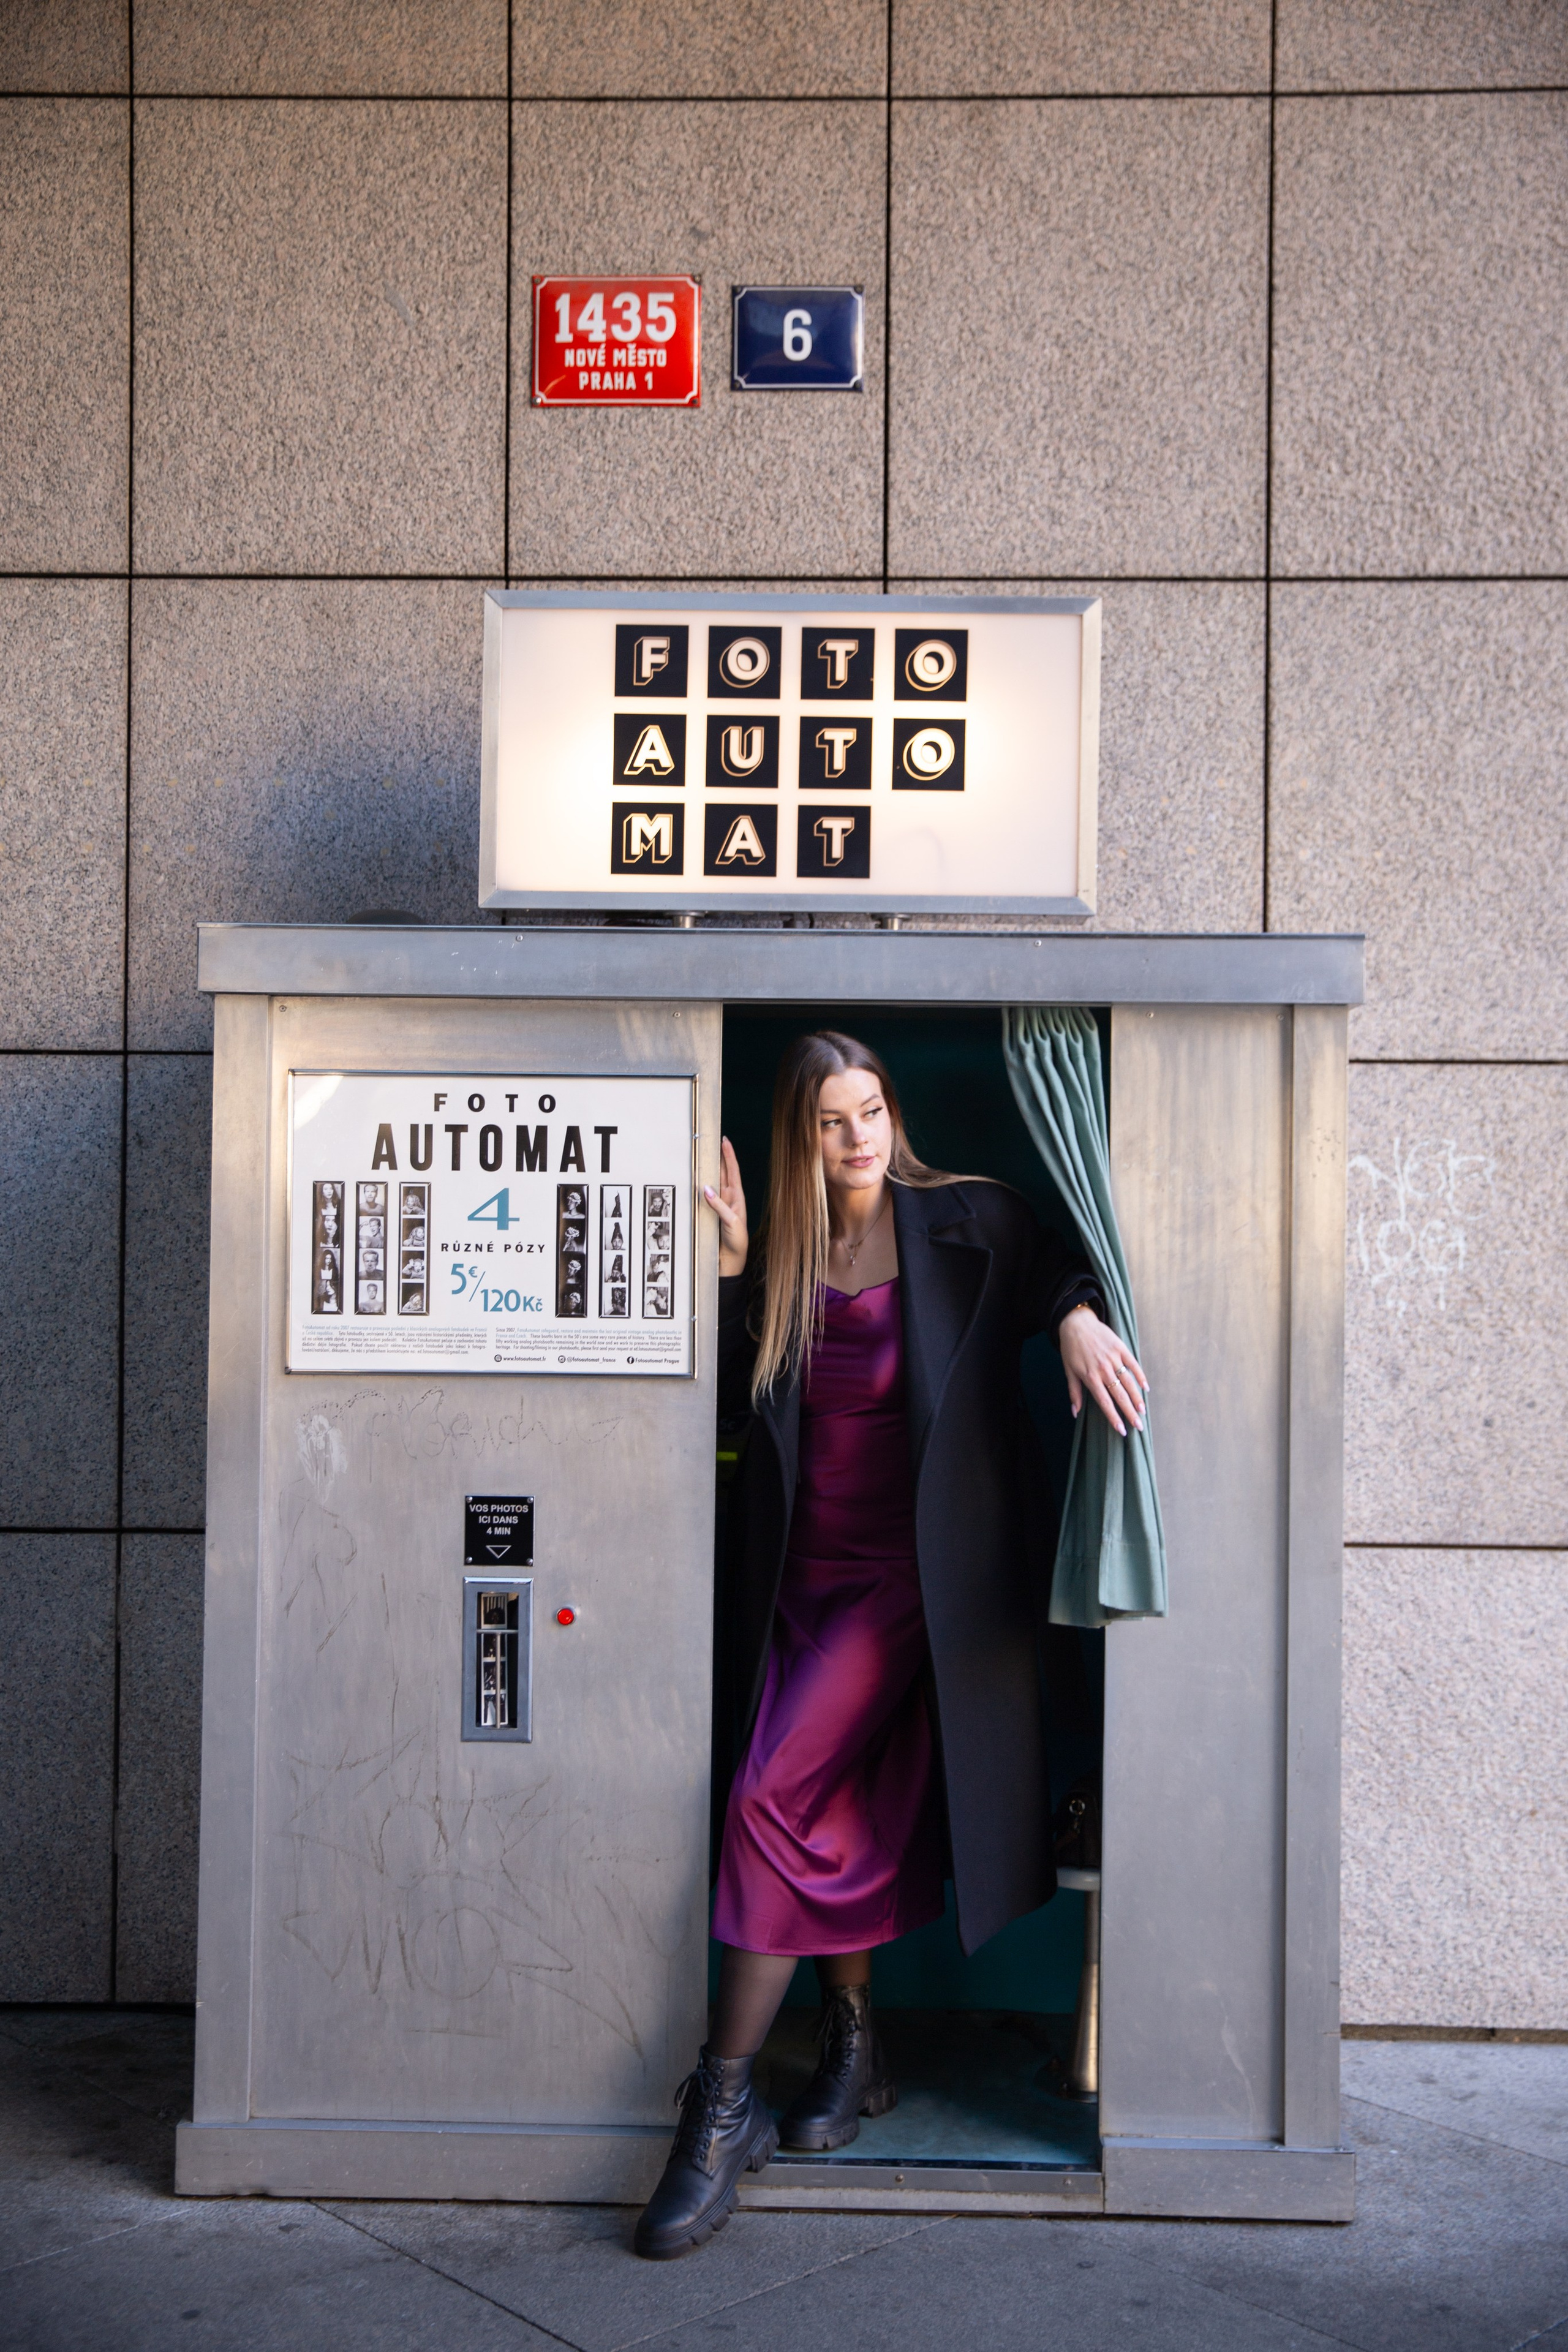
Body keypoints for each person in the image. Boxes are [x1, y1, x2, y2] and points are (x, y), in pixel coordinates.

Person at [633, 1031, 1147, 2261]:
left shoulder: (968, 1215)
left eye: (869, 1110)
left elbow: (1058, 1267)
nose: (857, 1136)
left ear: (891, 1111)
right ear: (797, 1135)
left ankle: (721, 2100)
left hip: (914, 1581)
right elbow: (721, 1423)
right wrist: (725, 1274)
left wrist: (1073, 1320)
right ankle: (854, 2051)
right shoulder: (779, 1255)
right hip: (797, 1579)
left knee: (769, 1798)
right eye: (830, 1121)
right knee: (839, 1806)